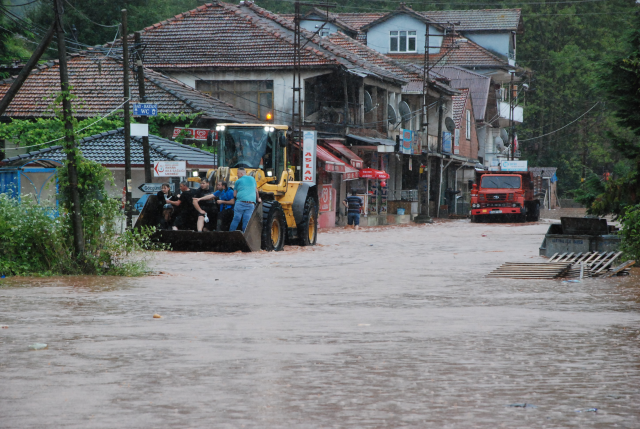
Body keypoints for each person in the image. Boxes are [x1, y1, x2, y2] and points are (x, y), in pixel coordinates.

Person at [229, 167, 261, 232]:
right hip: (250, 204)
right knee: (246, 221)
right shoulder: (252, 179)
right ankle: (245, 237)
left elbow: (234, 195)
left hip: (240, 203)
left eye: (237, 173)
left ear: (241, 173)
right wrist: (258, 199)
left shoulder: (237, 181)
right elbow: (256, 191)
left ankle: (231, 234)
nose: (237, 175)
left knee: (236, 219)